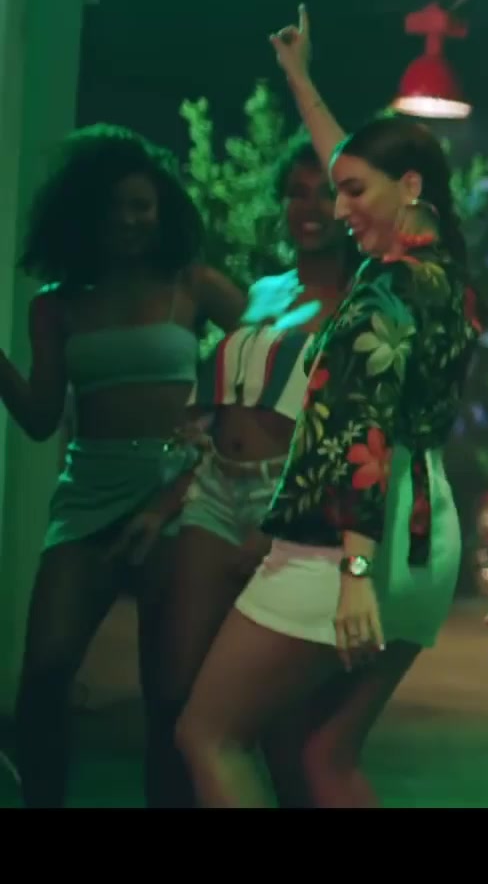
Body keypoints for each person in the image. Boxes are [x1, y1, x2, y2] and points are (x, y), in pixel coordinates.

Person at [174, 7, 481, 808]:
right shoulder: (443, 271)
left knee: (208, 734)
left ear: (408, 188)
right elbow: (358, 164)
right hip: (427, 540)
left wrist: (353, 573)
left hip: (351, 544)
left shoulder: (381, 292)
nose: (340, 210)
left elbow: (361, 433)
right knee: (326, 758)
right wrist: (300, 79)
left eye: (352, 194)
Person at [2, 124, 246, 807]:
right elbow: (40, 417)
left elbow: (272, 359)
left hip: (176, 491)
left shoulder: (192, 285)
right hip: (86, 491)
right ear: (83, 214)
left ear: (162, 207)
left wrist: (218, 426)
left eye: (141, 205)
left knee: (166, 694)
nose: (129, 220)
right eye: (112, 207)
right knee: (45, 674)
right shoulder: (55, 305)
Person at [130, 135, 359, 807]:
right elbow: (224, 407)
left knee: (277, 722)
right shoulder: (264, 290)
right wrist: (164, 504)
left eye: (326, 193)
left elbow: (353, 435)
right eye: (295, 192)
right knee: (173, 694)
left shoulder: (362, 302)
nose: (309, 207)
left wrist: (290, 523)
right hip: (215, 490)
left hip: (284, 500)